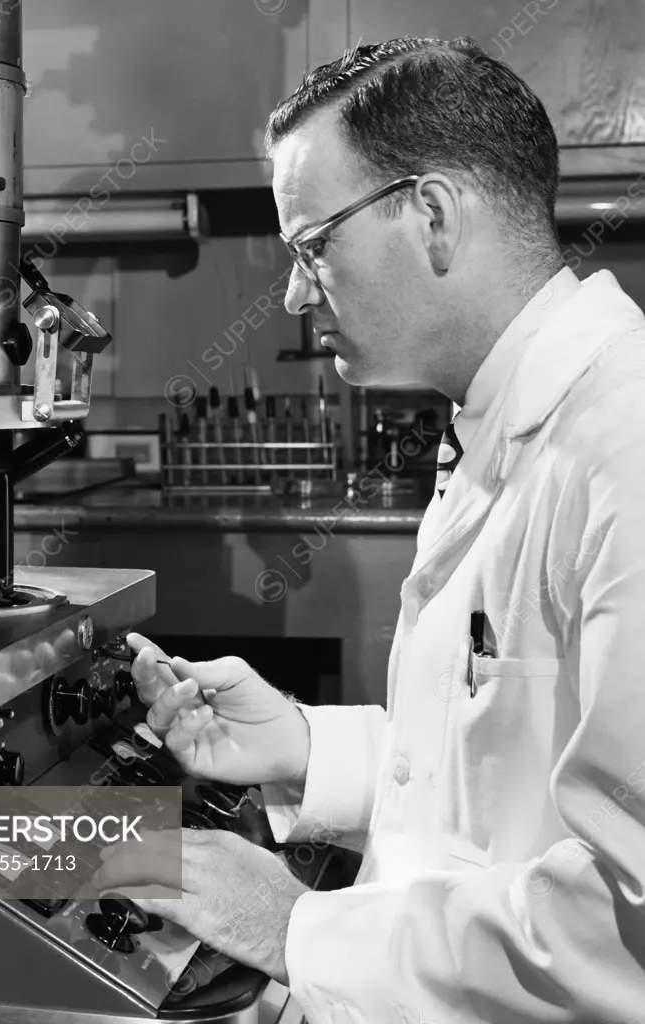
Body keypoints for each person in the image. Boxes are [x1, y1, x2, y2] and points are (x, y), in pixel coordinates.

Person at [94, 36, 645, 1023]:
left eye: (312, 247)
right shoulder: (501, 420)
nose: (297, 294)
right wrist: (308, 745)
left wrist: (294, 929)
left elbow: (627, 924)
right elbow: (509, 760)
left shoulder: (622, 444)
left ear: (429, 215)